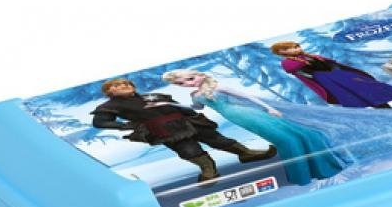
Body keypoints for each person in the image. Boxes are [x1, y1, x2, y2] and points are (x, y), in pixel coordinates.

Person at [162, 70, 346, 186]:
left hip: (250, 113)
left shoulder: (218, 86)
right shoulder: (195, 95)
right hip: (239, 118)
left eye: (190, 79)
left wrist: (269, 108)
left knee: (290, 137)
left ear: (201, 75)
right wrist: (172, 105)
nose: (189, 83)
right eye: (181, 83)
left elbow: (248, 97)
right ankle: (306, 172)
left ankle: (315, 169)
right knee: (285, 139)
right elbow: (197, 108)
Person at [91, 78, 276, 183]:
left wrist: (191, 113)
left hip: (189, 121)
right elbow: (100, 122)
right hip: (164, 129)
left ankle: (247, 154)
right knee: (189, 149)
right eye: (116, 86)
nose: (122, 87)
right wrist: (126, 126)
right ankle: (209, 169)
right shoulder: (110, 106)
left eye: (126, 84)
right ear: (109, 92)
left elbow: (176, 105)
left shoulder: (154, 96)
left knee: (218, 139)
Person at [270, 41, 392, 108]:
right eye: (289, 49)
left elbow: (329, 62)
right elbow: (300, 71)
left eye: (296, 46)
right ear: (281, 52)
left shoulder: (309, 56)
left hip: (337, 74)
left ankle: (383, 104)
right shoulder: (289, 63)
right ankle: (379, 107)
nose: (295, 49)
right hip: (327, 79)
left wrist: (336, 68)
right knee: (352, 92)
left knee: (366, 86)